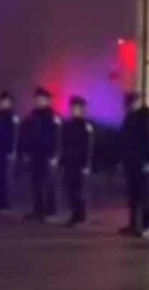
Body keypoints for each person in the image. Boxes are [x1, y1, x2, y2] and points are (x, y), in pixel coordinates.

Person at [119, 91, 149, 238]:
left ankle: (147, 225)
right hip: (131, 162)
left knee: (145, 195)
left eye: (133, 103)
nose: (130, 106)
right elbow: (124, 139)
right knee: (133, 195)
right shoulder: (129, 116)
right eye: (128, 104)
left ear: (139, 101)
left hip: (145, 162)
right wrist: (123, 159)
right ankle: (133, 225)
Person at [20, 87, 61, 221]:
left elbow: (58, 137)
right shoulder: (32, 116)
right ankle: (38, 210)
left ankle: (50, 211)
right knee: (36, 183)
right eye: (37, 99)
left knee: (49, 184)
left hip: (48, 155)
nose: (39, 102)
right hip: (35, 154)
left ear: (48, 101)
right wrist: (26, 152)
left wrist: (55, 155)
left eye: (42, 99)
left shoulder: (53, 117)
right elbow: (25, 135)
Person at [61, 95, 95, 227]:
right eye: (72, 108)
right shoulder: (68, 124)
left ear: (82, 109)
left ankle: (81, 216)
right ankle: (74, 214)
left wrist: (87, 164)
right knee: (71, 189)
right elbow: (64, 143)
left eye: (77, 108)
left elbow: (89, 146)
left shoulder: (86, 126)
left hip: (80, 162)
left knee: (80, 190)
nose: (74, 110)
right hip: (70, 161)